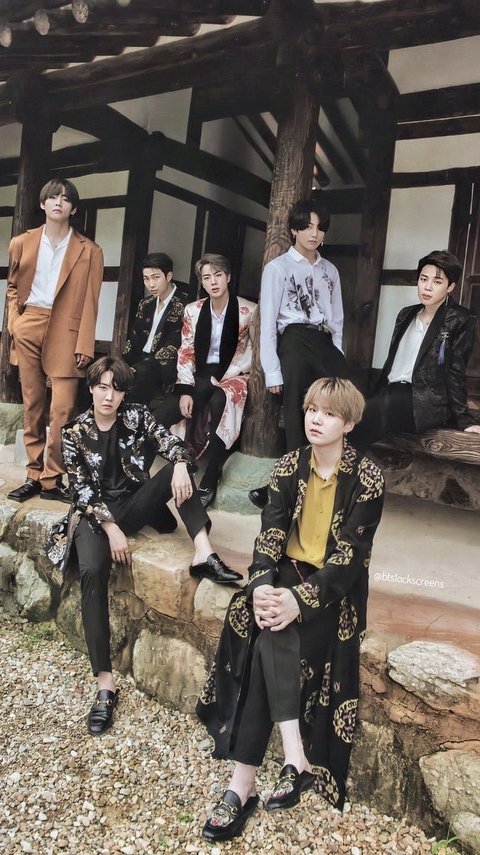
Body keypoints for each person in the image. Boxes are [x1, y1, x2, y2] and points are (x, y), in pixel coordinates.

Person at [197, 378, 385, 842]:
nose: (316, 420)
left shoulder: (368, 478)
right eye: (312, 409)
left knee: (271, 634)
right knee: (267, 619)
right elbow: (270, 534)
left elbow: (349, 559)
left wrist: (298, 601)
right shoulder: (288, 465)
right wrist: (263, 584)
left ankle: (241, 786)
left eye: (329, 413)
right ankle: (293, 756)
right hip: (286, 572)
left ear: (349, 424)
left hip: (333, 589)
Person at [46, 357, 242, 736]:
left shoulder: (136, 416)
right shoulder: (74, 432)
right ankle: (105, 684)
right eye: (102, 387)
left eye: (116, 389)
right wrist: (111, 529)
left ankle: (204, 552)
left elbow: (171, 442)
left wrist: (181, 463)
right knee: (92, 571)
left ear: (124, 393)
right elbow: (81, 491)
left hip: (133, 505)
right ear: (92, 389)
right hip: (94, 515)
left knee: (175, 472)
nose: (109, 396)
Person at [6, 178, 103, 504]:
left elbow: (91, 301)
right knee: (33, 405)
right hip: (29, 323)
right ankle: (33, 475)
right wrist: (15, 324)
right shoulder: (22, 242)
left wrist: (85, 344)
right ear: (43, 204)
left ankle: (51, 479)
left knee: (62, 409)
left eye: (65, 199)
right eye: (52, 197)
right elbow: (13, 288)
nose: (58, 202)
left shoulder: (90, 251)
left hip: (67, 329)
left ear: (73, 208)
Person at [249, 198, 347, 510]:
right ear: (294, 230)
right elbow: (267, 322)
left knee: (337, 411)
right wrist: (272, 370)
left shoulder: (330, 271)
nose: (314, 233)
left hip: (325, 344)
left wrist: (337, 355)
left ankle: (310, 485)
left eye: (319, 228)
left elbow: (337, 320)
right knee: (296, 418)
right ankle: (290, 492)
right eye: (307, 227)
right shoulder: (278, 268)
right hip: (293, 341)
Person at [154, 253, 256, 508]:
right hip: (200, 373)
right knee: (166, 412)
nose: (213, 282)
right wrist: (186, 389)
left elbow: (257, 352)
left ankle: (211, 477)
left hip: (235, 374)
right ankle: (140, 473)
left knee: (221, 400)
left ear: (228, 277)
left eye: (218, 275)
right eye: (207, 277)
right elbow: (186, 350)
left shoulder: (249, 311)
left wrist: (231, 376)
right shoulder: (194, 310)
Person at [350, 249, 480, 447]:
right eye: (423, 279)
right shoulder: (406, 314)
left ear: (450, 287)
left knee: (359, 421)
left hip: (422, 400)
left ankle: (335, 462)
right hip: (390, 393)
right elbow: (392, 362)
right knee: (347, 414)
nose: (427, 287)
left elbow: (455, 371)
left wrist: (465, 420)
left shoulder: (460, 319)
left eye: (437, 282)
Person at [123, 252, 185, 407]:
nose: (151, 284)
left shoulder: (184, 304)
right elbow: (135, 337)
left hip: (165, 364)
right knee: (107, 370)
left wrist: (138, 367)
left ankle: (134, 417)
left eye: (156, 277)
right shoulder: (146, 304)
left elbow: (174, 343)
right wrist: (122, 363)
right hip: (140, 359)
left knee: (140, 372)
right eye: (146, 279)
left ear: (168, 276)